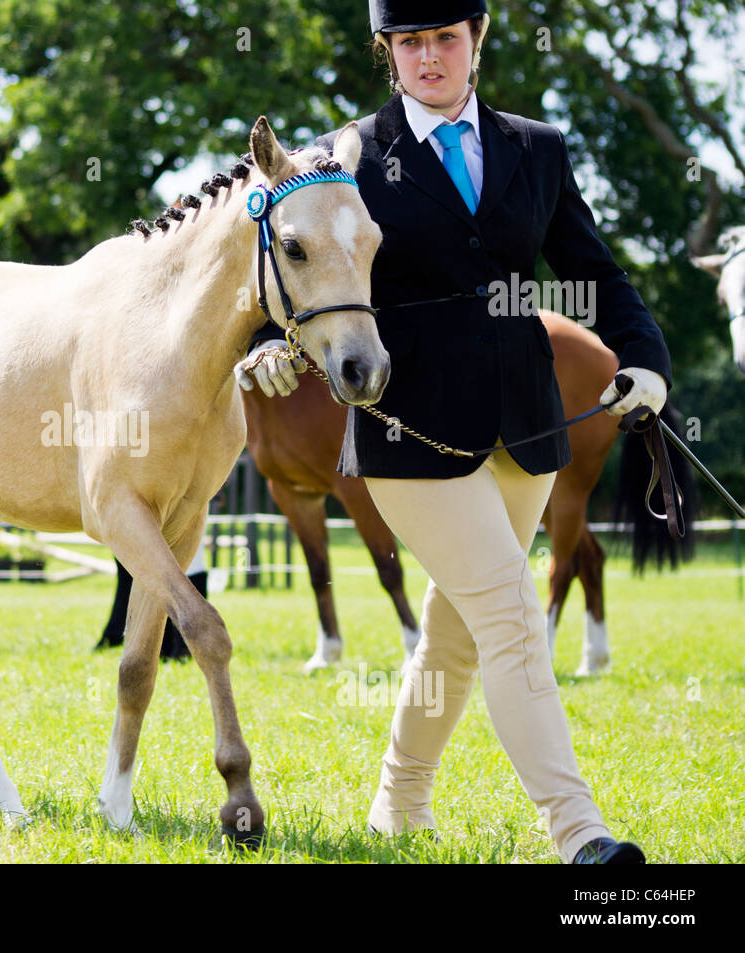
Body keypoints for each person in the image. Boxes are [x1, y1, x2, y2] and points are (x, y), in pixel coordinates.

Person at [235, 0, 671, 864]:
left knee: (458, 629)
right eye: (409, 42)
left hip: (528, 424)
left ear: (476, 40)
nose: (427, 57)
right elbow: (283, 269)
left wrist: (647, 356)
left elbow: (593, 267)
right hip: (410, 430)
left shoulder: (537, 147)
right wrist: (261, 351)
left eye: (444, 38)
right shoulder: (343, 156)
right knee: (510, 613)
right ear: (386, 52)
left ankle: (398, 804)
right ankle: (580, 833)